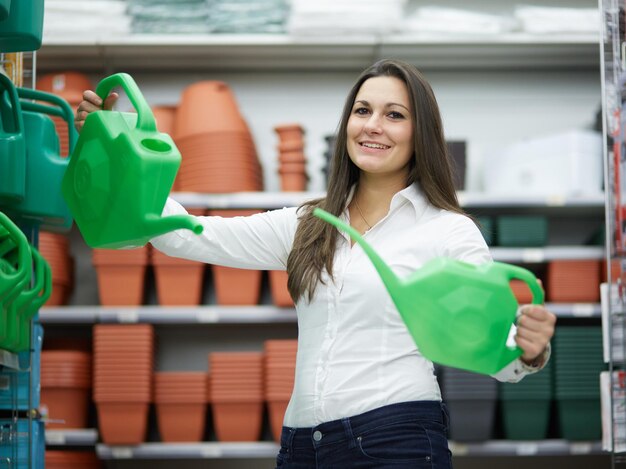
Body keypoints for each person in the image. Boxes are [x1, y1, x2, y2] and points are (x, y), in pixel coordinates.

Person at [75, 58, 556, 469]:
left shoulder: (448, 231)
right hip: (304, 445)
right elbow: (188, 235)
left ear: (420, 133)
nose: (372, 125)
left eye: (394, 115)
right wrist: (118, 152)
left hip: (397, 439)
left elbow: (491, 345)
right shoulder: (310, 223)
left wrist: (529, 348)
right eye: (363, 111)